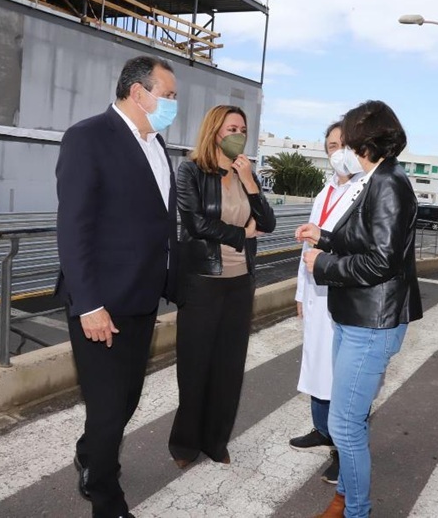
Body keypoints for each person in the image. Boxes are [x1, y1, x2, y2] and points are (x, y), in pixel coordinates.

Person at [56, 55, 179, 518]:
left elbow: (162, 222)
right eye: (167, 95)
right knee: (108, 408)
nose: (172, 103)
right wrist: (88, 304)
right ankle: (107, 499)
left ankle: (90, 453)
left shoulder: (157, 145)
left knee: (126, 399)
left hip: (142, 298)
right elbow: (73, 228)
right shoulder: (88, 138)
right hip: (100, 303)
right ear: (138, 92)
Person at [296, 100, 423, 518]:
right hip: (357, 317)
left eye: (347, 139)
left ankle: (356, 510)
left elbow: (383, 261)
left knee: (345, 425)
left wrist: (324, 263)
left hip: (372, 322)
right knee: (348, 420)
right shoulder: (377, 178)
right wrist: (325, 238)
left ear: (363, 142)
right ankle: (346, 499)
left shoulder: (387, 183)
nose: (342, 148)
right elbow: (367, 243)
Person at [169, 105, 276, 468]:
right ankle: (185, 444)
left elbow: (270, 222)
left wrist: (250, 184)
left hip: (240, 283)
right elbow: (195, 222)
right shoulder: (191, 171)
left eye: (243, 129)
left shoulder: (248, 173)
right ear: (215, 130)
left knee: (229, 368)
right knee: (195, 366)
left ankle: (216, 440)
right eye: (233, 127)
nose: (239, 134)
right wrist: (241, 234)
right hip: (202, 281)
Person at [290, 121, 364, 485]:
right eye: (332, 145)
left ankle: (342, 449)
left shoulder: (366, 189)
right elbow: (308, 241)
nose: (338, 152)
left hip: (342, 294)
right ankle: (322, 430)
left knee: (342, 377)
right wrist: (301, 293)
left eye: (344, 144)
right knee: (317, 367)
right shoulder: (325, 191)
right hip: (317, 291)